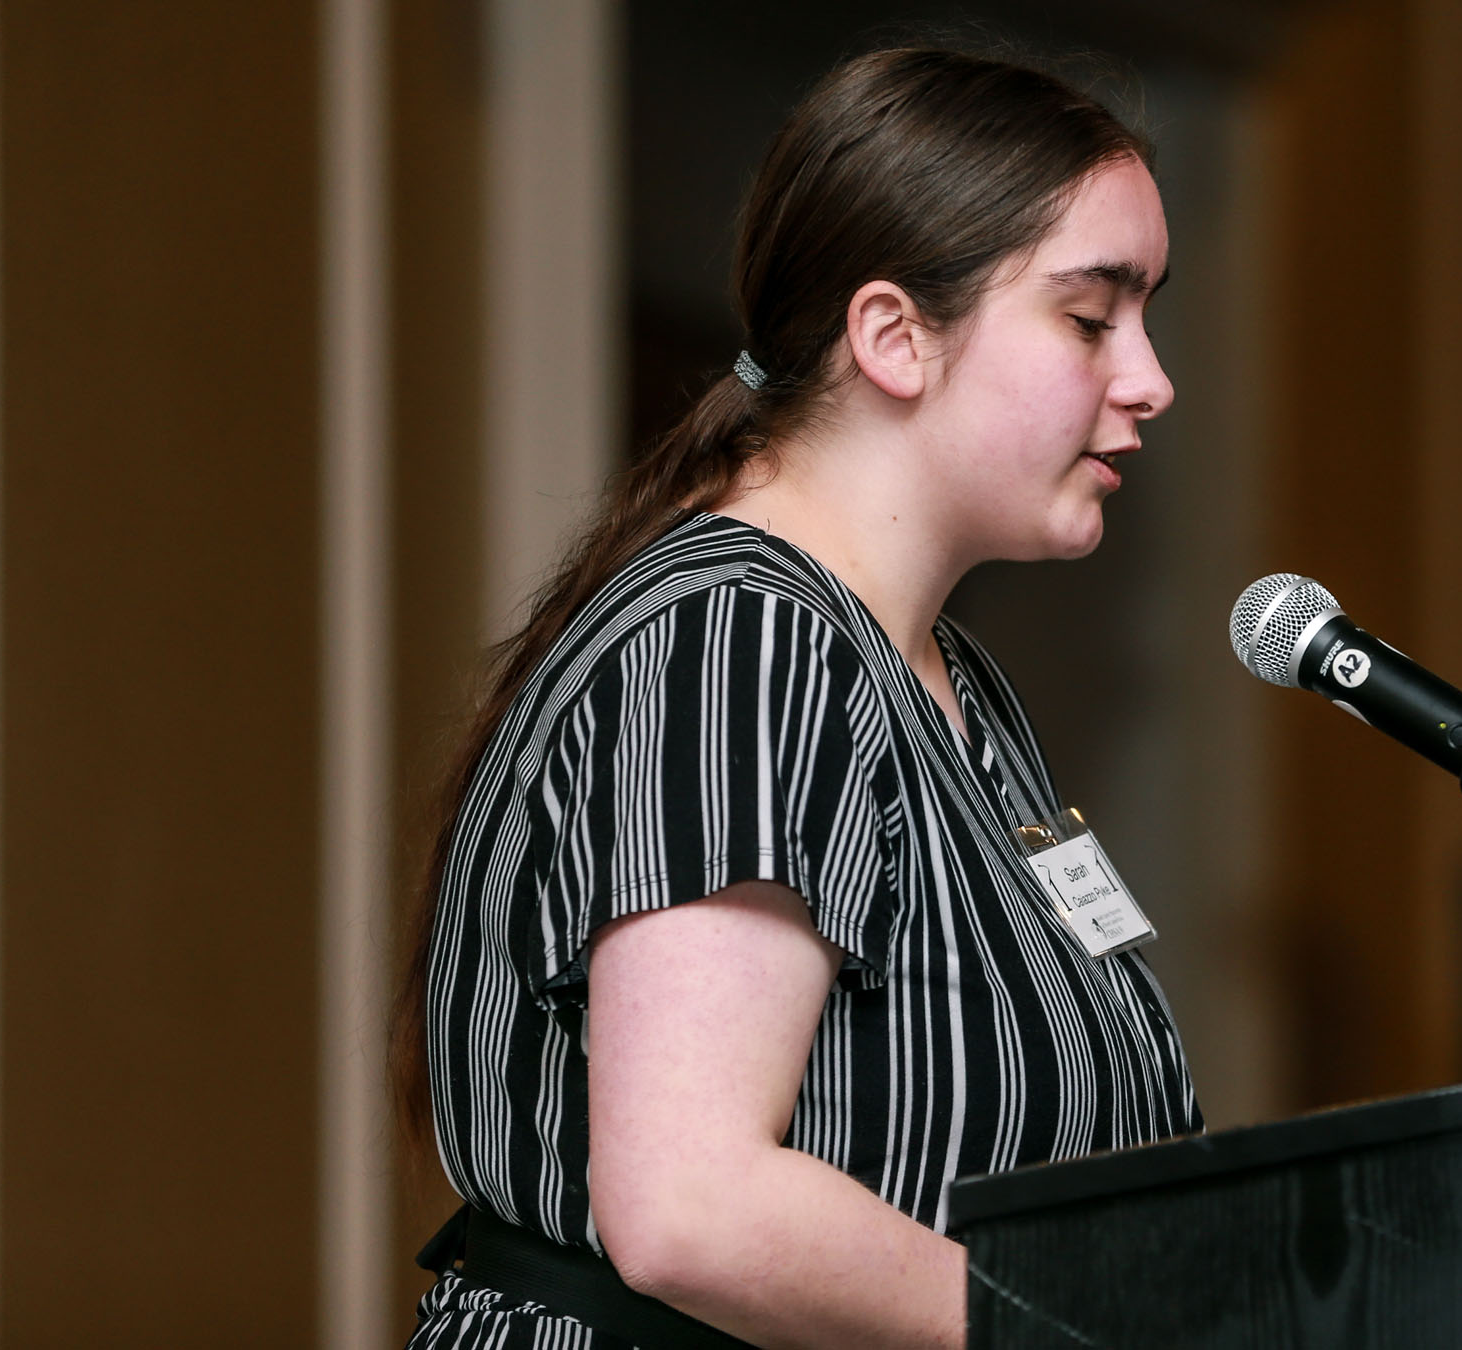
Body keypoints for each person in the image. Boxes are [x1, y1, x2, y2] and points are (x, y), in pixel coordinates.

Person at [398, 44, 1202, 1350]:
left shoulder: (946, 683)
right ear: (893, 335)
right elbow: (692, 1206)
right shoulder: (741, 639)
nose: (1151, 377)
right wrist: (1086, 1326)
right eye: (1090, 315)